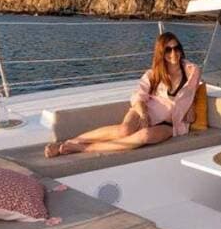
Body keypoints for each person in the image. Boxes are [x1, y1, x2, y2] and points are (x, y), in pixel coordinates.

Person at [44, 32, 200, 157]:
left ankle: (83, 149)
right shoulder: (153, 74)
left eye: (176, 48)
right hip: (144, 112)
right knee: (124, 131)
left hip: (169, 123)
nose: (174, 53)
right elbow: (139, 95)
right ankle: (72, 141)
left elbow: (192, 90)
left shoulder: (192, 71)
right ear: (161, 53)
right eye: (168, 49)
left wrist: (191, 105)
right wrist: (143, 114)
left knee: (145, 136)